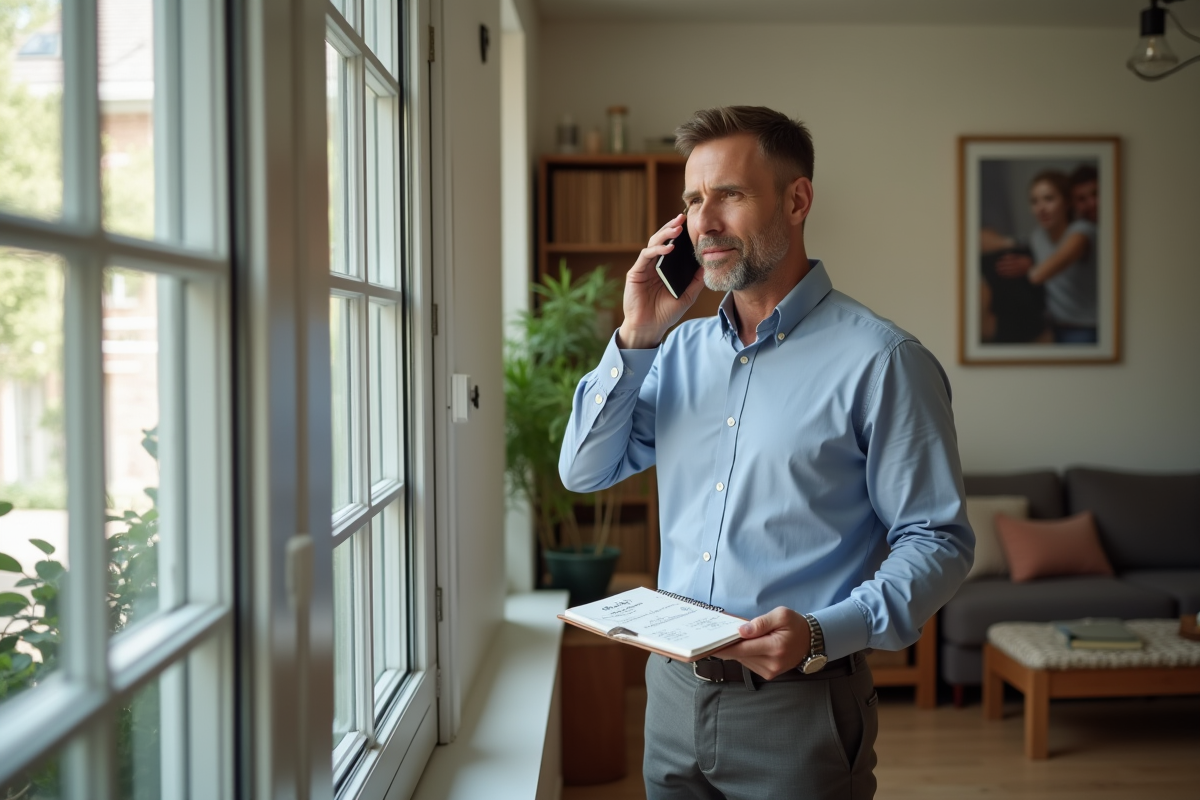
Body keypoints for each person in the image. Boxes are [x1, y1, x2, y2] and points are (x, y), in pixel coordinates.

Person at [558, 106, 974, 800]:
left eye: (730, 194)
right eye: (693, 199)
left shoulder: (883, 360)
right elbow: (584, 469)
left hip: (800, 705)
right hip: (671, 694)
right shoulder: (675, 350)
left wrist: (821, 633)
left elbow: (938, 539)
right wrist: (635, 335)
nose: (704, 222)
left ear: (797, 200)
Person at [995, 170, 1097, 344]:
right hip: (1054, 327)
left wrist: (1030, 266)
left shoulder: (1083, 231)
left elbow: (1041, 273)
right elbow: (1000, 242)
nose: (1041, 208)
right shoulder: (1038, 237)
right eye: (1034, 201)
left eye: (1049, 199)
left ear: (1067, 202)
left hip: (1086, 329)